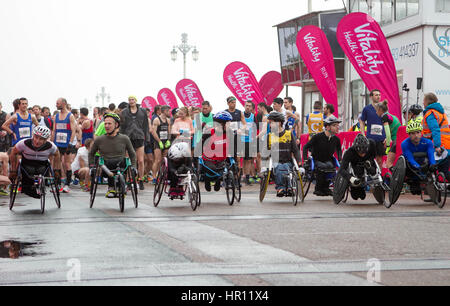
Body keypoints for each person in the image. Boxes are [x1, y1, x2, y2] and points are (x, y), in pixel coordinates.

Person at [89, 113, 136, 198]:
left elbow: (132, 154)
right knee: (108, 163)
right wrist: (91, 166)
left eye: (109, 124)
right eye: (105, 124)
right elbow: (91, 153)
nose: (106, 126)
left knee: (124, 162)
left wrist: (133, 167)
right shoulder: (99, 139)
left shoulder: (124, 138)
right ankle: (111, 188)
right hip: (106, 167)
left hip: (121, 165)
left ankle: (121, 185)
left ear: (116, 125)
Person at [9, 126, 61, 199]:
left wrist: (56, 169)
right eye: (36, 137)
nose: (37, 141)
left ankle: (41, 185)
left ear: (46, 140)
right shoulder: (23, 143)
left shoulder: (51, 146)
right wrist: (13, 170)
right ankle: (29, 189)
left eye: (41, 139)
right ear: (33, 136)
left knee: (42, 171)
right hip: (27, 164)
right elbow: (13, 153)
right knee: (28, 173)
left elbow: (57, 155)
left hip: (42, 165)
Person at [303, 115, 342, 196]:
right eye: (334, 125)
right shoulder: (317, 137)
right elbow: (305, 147)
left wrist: (339, 159)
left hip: (328, 159)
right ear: (327, 127)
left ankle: (326, 188)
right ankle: (318, 189)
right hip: (317, 159)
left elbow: (339, 150)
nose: (337, 127)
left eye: (337, 125)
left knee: (330, 166)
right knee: (322, 167)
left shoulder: (336, 139)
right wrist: (306, 159)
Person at [265, 112, 302, 197]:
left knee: (285, 166)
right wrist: (264, 166)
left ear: (279, 123)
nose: (270, 125)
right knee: (279, 167)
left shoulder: (289, 134)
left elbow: (295, 150)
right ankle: (281, 188)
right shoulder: (269, 136)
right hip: (275, 162)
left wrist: (299, 162)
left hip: (288, 161)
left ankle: (288, 187)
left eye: (271, 123)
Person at [119, 96, 149, 190]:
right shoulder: (124, 112)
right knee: (129, 161)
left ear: (136, 101)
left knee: (140, 160)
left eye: (133, 100)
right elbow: (122, 126)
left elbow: (146, 125)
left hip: (139, 137)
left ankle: (140, 179)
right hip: (128, 137)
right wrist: (121, 137)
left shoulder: (142, 111)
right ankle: (129, 180)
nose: (131, 101)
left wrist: (147, 138)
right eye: (130, 100)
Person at [337, 134, 378, 200]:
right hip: (356, 166)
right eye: (360, 153)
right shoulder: (349, 152)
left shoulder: (372, 144)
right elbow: (341, 170)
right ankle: (357, 187)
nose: (362, 155)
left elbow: (373, 156)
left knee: (373, 171)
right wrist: (351, 178)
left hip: (368, 162)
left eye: (364, 152)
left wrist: (369, 161)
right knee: (356, 196)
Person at [401, 121, 437, 195]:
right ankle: (414, 182)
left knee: (433, 166)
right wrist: (419, 167)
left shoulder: (428, 142)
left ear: (421, 133)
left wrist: (432, 164)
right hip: (411, 168)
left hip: (424, 164)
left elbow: (431, 155)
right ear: (409, 135)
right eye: (413, 133)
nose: (416, 135)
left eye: (418, 132)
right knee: (415, 192)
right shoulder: (405, 144)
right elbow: (410, 159)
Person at [201, 111, 233, 192]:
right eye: (228, 123)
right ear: (221, 124)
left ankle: (218, 181)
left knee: (224, 170)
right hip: (209, 159)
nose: (229, 125)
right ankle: (207, 180)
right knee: (213, 170)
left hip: (221, 159)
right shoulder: (209, 133)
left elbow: (233, 146)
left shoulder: (229, 133)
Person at [422, 93, 450, 180]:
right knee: (444, 171)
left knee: (428, 166)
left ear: (427, 101)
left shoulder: (430, 113)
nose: (423, 103)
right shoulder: (441, 113)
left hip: (439, 145)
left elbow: (435, 130)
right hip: (447, 145)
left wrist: (437, 146)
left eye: (424, 101)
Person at [52, 97, 77, 193]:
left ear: (64, 103)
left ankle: (67, 185)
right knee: (56, 163)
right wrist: (52, 142)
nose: (56, 105)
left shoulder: (70, 116)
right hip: (58, 143)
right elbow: (54, 130)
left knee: (67, 163)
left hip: (66, 144)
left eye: (58, 103)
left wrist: (70, 143)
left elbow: (73, 130)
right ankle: (57, 184)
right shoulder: (56, 116)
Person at [359, 89, 386, 169]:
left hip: (381, 138)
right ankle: (369, 176)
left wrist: (387, 136)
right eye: (376, 95)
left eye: (379, 95)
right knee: (368, 159)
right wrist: (363, 134)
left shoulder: (383, 108)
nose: (378, 97)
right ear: (371, 97)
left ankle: (379, 177)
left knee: (379, 160)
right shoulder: (367, 109)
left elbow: (387, 123)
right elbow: (362, 121)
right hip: (370, 139)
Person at [375, 100, 401, 169]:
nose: (376, 112)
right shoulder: (390, 116)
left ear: (380, 110)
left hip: (395, 140)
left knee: (388, 163)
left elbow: (388, 133)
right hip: (398, 138)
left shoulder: (385, 117)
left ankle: (394, 175)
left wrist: (388, 146)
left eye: (376, 110)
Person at [151, 105, 171, 185]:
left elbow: (169, 131)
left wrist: (168, 140)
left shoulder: (168, 120)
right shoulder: (157, 120)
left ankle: (163, 176)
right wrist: (159, 141)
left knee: (164, 160)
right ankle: (154, 177)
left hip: (166, 141)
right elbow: (153, 132)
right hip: (158, 142)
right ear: (164, 111)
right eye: (168, 111)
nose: (169, 112)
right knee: (157, 160)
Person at [241, 101, 257, 185]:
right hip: (240, 140)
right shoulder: (240, 115)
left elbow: (254, 129)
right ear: (244, 106)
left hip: (249, 141)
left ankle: (247, 177)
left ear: (252, 108)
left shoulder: (253, 116)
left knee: (248, 160)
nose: (247, 107)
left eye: (249, 106)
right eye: (246, 105)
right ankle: (239, 176)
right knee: (239, 159)